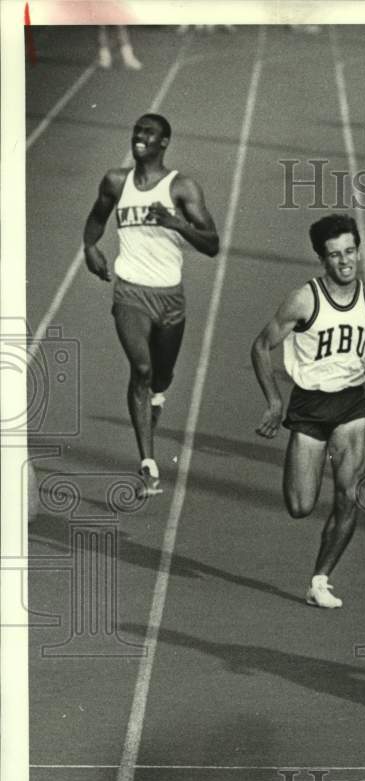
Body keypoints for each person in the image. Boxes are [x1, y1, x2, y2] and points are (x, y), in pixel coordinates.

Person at [251, 213, 365, 609]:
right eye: (335, 255)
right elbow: (261, 346)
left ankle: (320, 579)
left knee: (349, 495)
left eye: (350, 251)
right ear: (322, 258)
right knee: (300, 506)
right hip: (310, 405)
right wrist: (274, 401)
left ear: (359, 252)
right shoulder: (305, 299)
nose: (345, 261)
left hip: (351, 404)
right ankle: (318, 573)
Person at [83, 113, 219, 498]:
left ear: (164, 143)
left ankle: (156, 397)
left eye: (149, 133)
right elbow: (96, 218)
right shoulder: (115, 181)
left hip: (169, 297)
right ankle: (148, 464)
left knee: (162, 375)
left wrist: (178, 225)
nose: (140, 137)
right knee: (141, 369)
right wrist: (90, 247)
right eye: (137, 131)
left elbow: (212, 244)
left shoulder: (182, 188)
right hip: (130, 292)